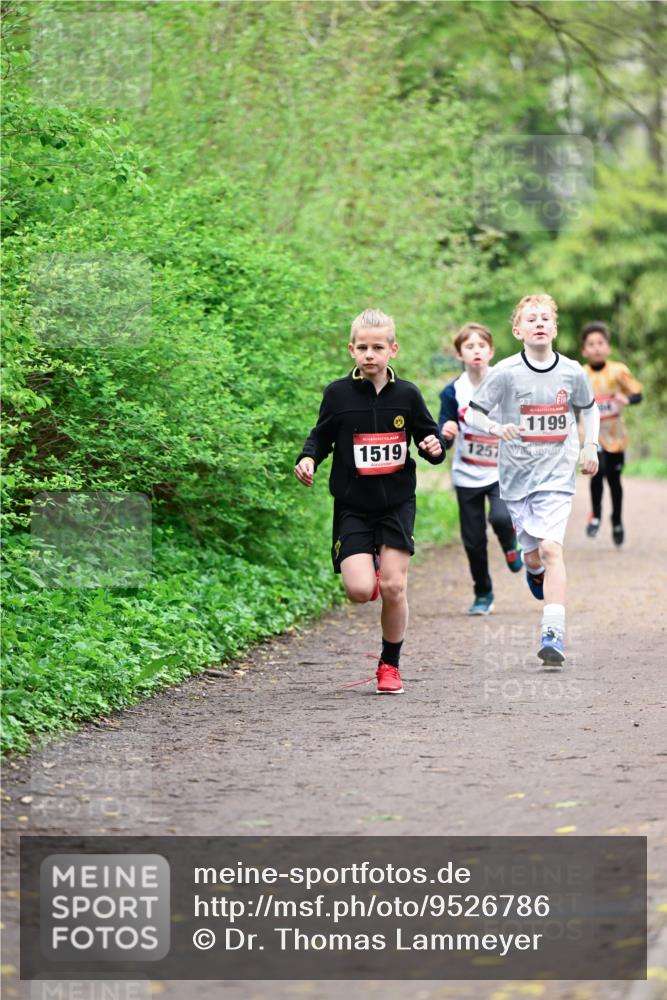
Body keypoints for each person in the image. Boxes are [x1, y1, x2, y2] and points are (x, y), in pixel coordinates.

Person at [294, 308, 446, 694]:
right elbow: (320, 437)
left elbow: (430, 441)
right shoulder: (338, 394)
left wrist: (434, 447)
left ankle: (390, 665)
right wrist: (308, 458)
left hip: (396, 503)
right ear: (351, 350)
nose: (369, 354)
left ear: (392, 350)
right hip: (353, 506)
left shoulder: (407, 394)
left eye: (377, 347)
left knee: (395, 587)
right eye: (362, 347)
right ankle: (371, 564)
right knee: (360, 591)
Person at [466, 294, 600, 666]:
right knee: (533, 554)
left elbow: (589, 408)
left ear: (554, 328)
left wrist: (591, 445)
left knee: (553, 549)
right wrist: (496, 426)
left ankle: (552, 631)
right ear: (518, 329)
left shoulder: (572, 371)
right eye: (531, 319)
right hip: (517, 479)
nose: (539, 323)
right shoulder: (506, 372)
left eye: (545, 318)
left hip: (557, 476)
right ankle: (533, 570)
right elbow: (473, 413)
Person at [438, 322, 523, 616]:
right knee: (473, 540)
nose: (476, 351)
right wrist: (445, 434)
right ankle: (483, 593)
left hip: (500, 471)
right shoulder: (452, 392)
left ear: (491, 351)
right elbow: (442, 432)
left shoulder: (505, 385)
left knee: (501, 517)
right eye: (469, 347)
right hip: (466, 475)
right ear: (459, 354)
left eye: (481, 346)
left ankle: (511, 545)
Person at [580, 321, 643, 546]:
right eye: (591, 344)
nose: (596, 348)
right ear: (584, 350)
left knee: (614, 479)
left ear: (608, 347)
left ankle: (616, 519)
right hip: (591, 436)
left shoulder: (618, 371)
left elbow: (637, 393)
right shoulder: (581, 374)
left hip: (616, 436)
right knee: (598, 471)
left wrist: (627, 399)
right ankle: (595, 515)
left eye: (600, 343)